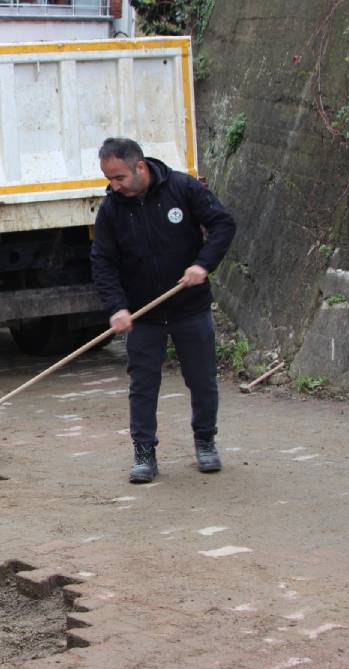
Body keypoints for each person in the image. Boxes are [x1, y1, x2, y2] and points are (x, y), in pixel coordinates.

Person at [90, 137, 236, 484]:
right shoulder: (111, 210)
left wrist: (203, 264)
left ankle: (205, 441)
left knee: (202, 381)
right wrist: (117, 308)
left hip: (190, 307)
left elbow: (222, 224)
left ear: (140, 167)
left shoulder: (182, 188)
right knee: (143, 386)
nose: (114, 186)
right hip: (143, 315)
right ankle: (144, 453)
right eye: (109, 179)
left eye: (119, 177)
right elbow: (102, 262)